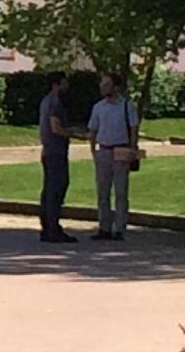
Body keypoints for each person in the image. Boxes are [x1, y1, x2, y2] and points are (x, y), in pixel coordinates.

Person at [87, 70, 140, 240]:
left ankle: (120, 228)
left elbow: (133, 129)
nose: (104, 88)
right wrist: (93, 150)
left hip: (121, 150)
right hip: (103, 150)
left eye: (107, 84)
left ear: (116, 87)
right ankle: (104, 227)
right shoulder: (98, 107)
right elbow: (93, 129)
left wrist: (132, 150)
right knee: (102, 191)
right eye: (102, 84)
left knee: (121, 191)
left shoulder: (127, 106)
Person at [35, 72, 77, 244]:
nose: (66, 87)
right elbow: (55, 127)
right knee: (57, 187)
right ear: (56, 84)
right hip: (56, 151)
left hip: (48, 150)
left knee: (49, 188)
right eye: (64, 83)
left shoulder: (45, 101)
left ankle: (47, 226)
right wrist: (73, 133)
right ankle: (53, 227)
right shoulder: (55, 102)